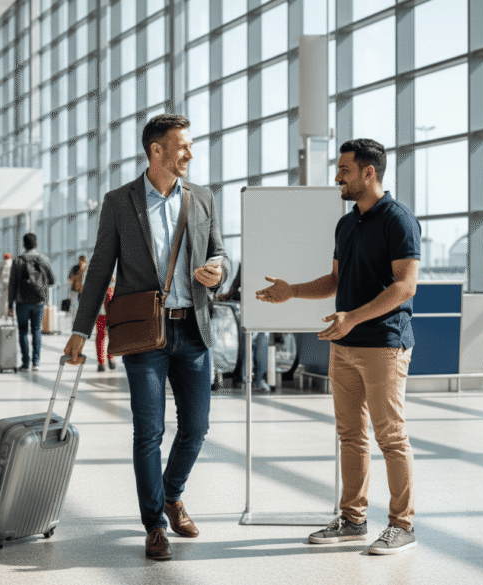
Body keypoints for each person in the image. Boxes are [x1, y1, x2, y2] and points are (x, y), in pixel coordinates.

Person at [63, 113, 230, 561]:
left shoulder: (202, 198)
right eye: (182, 147)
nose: (190, 154)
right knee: (148, 433)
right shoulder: (120, 202)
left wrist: (218, 272)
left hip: (192, 329)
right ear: (156, 151)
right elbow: (99, 270)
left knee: (196, 428)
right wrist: (80, 332)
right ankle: (154, 524)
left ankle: (173, 494)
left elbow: (222, 252)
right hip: (144, 333)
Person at [256, 138, 421, 555]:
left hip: (384, 344)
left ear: (369, 172)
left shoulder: (398, 220)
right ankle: (353, 520)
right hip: (344, 343)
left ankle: (403, 525)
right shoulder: (346, 223)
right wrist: (291, 291)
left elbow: (405, 285)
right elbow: (334, 281)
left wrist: (353, 317)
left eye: (344, 170)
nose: (337, 177)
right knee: (350, 435)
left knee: (391, 436)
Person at [218, 263, 270, 391]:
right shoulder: (269, 262)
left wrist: (226, 296)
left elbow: (235, 287)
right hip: (266, 308)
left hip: (249, 308)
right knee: (261, 345)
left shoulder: (246, 262)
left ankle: (244, 380)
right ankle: (258, 380)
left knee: (247, 346)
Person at [7, 233, 55, 371]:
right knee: (36, 330)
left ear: (23, 244)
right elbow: (52, 280)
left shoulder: (17, 261)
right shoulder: (43, 260)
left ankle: (25, 363)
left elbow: (12, 284)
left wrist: (10, 305)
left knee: (23, 331)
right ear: (36, 244)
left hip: (21, 301)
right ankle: (36, 362)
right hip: (39, 301)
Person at [94, 272, 116, 372]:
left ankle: (102, 362)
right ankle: (109, 359)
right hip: (110, 308)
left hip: (101, 309)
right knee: (109, 335)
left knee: (101, 335)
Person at [0, 252, 12, 318]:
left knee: (2, 300)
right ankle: (8, 314)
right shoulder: (11, 264)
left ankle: (1, 314)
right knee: (8, 300)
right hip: (10, 285)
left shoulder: (1, 264)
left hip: (2, 284)